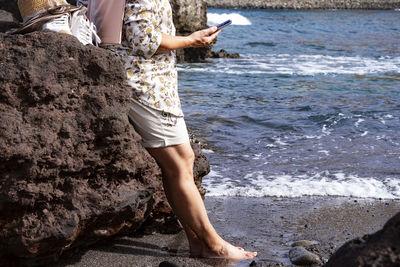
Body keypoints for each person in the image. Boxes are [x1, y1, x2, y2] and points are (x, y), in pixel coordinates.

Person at [106, 0, 257, 260]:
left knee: (180, 162)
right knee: (178, 163)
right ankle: (214, 245)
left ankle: (197, 242)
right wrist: (192, 40)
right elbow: (144, 42)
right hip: (146, 84)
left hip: (146, 82)